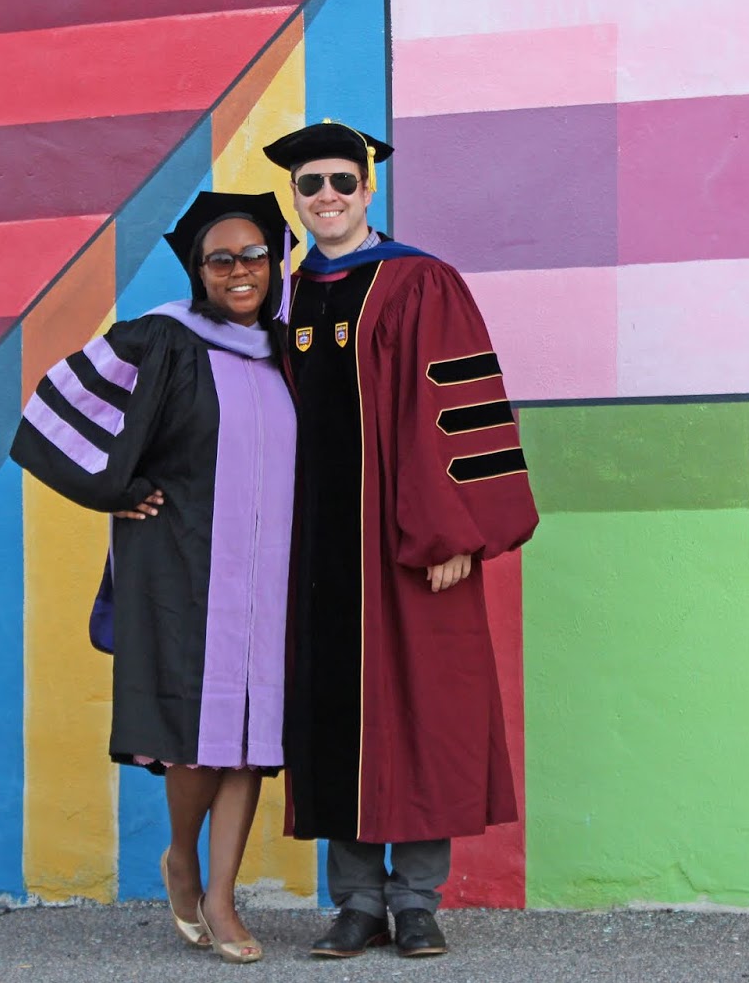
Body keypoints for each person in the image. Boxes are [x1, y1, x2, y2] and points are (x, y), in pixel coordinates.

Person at [261, 122, 540, 958]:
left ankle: (415, 900)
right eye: (311, 184)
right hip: (316, 547)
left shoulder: (419, 281)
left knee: (422, 710)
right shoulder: (284, 294)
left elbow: (453, 409)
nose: (328, 197)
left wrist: (454, 531)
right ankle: (356, 902)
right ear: (296, 196)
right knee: (332, 715)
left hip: (408, 540)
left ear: (368, 187)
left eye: (342, 181)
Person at [10, 190, 297, 965]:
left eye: (254, 255)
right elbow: (51, 414)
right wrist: (117, 490)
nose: (240, 270)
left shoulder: (288, 349)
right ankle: (181, 856)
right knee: (196, 735)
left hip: (271, 569)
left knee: (251, 735)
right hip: (183, 563)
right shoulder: (164, 338)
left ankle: (222, 896)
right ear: (199, 271)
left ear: (274, 263)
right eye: (220, 259)